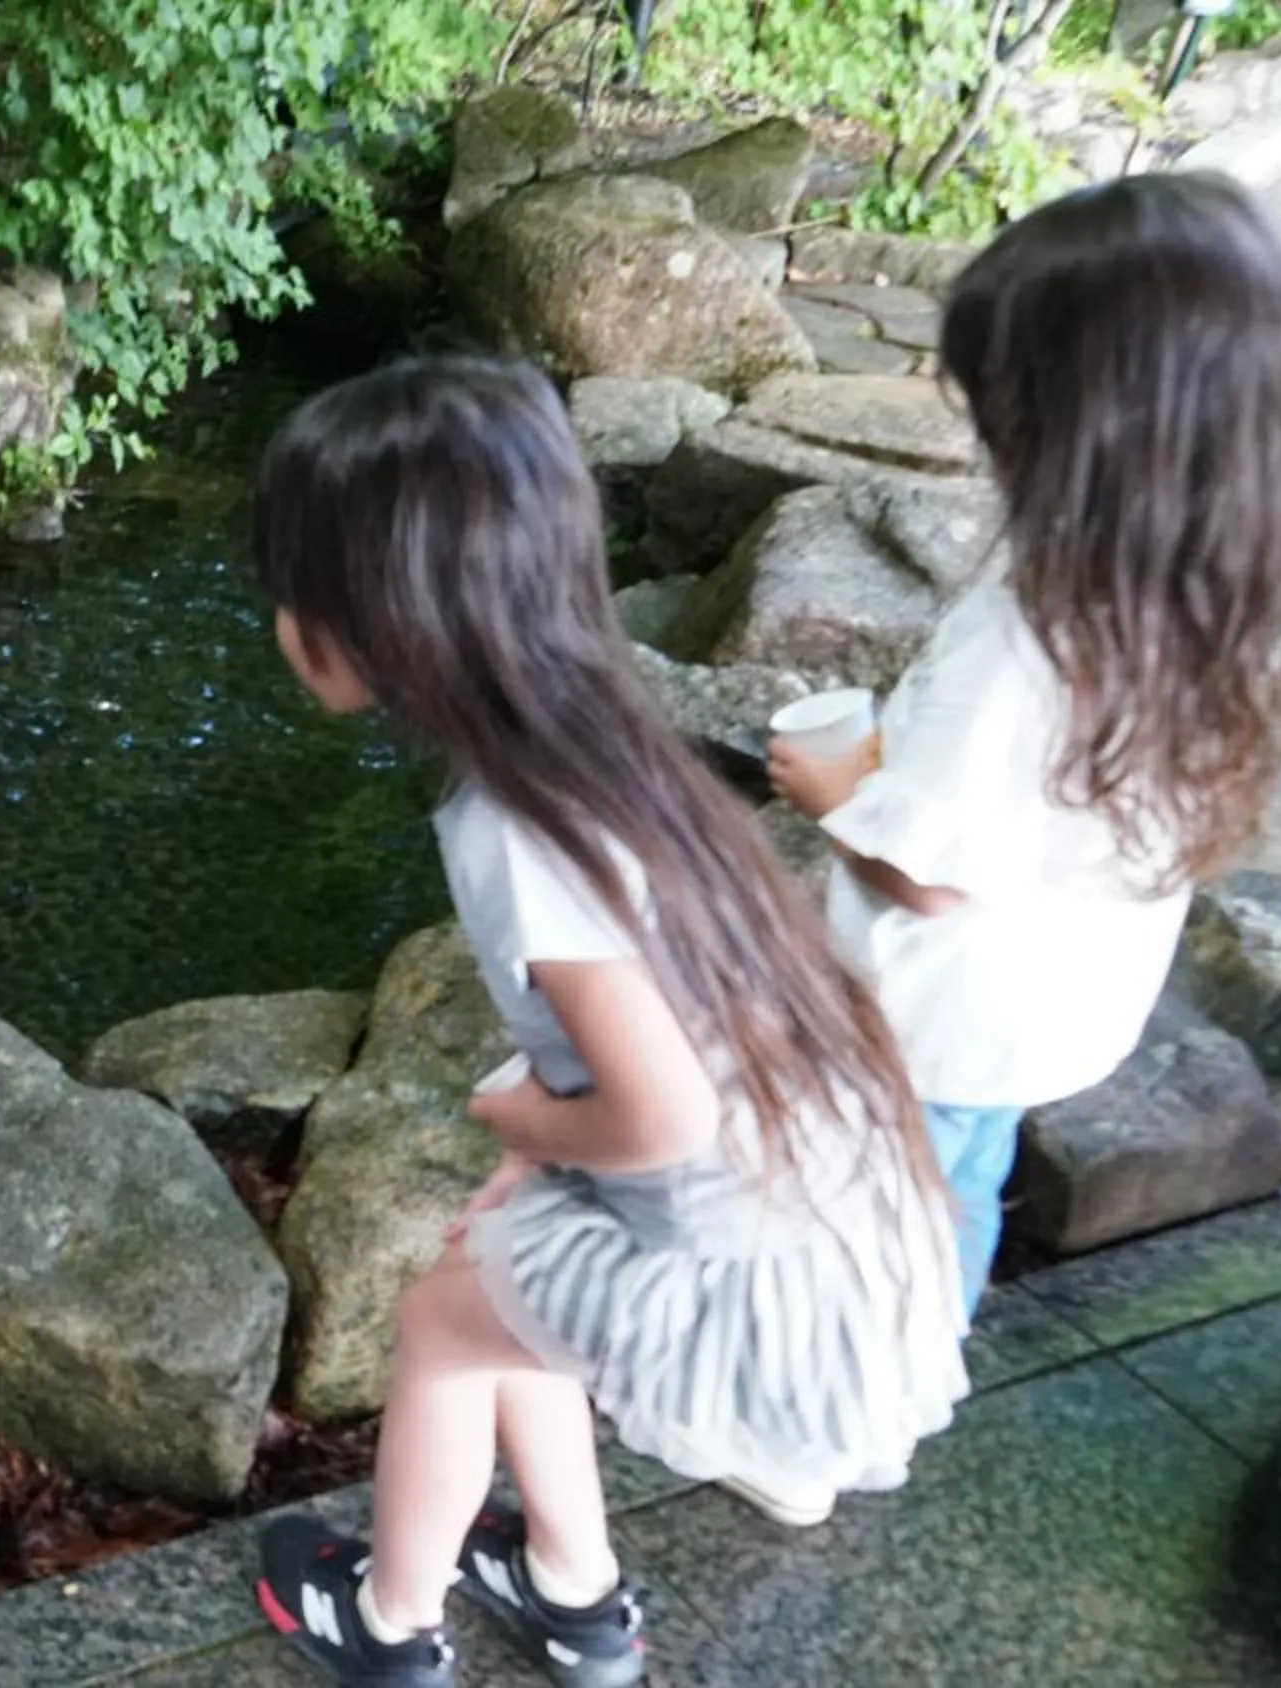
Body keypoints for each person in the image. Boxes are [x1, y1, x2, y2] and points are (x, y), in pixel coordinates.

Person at [247, 358, 970, 1688]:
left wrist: (520, 1115)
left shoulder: (519, 828)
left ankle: (391, 1624)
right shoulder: (600, 739)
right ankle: (574, 1594)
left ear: (373, 623)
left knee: (442, 1326)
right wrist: (541, 1155)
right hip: (808, 1199)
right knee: (504, 1281)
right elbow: (680, 1027)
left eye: (297, 584)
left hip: (739, 1270)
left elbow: (663, 1110)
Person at [769, 171, 1281, 1521]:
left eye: (1000, 410)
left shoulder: (1025, 641)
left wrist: (832, 787)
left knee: (870, 1214)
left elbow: (924, 871)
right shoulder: (1222, 602)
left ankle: (824, 1443)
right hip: (1051, 1011)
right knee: (959, 1190)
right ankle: (913, 1388)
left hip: (937, 1015)